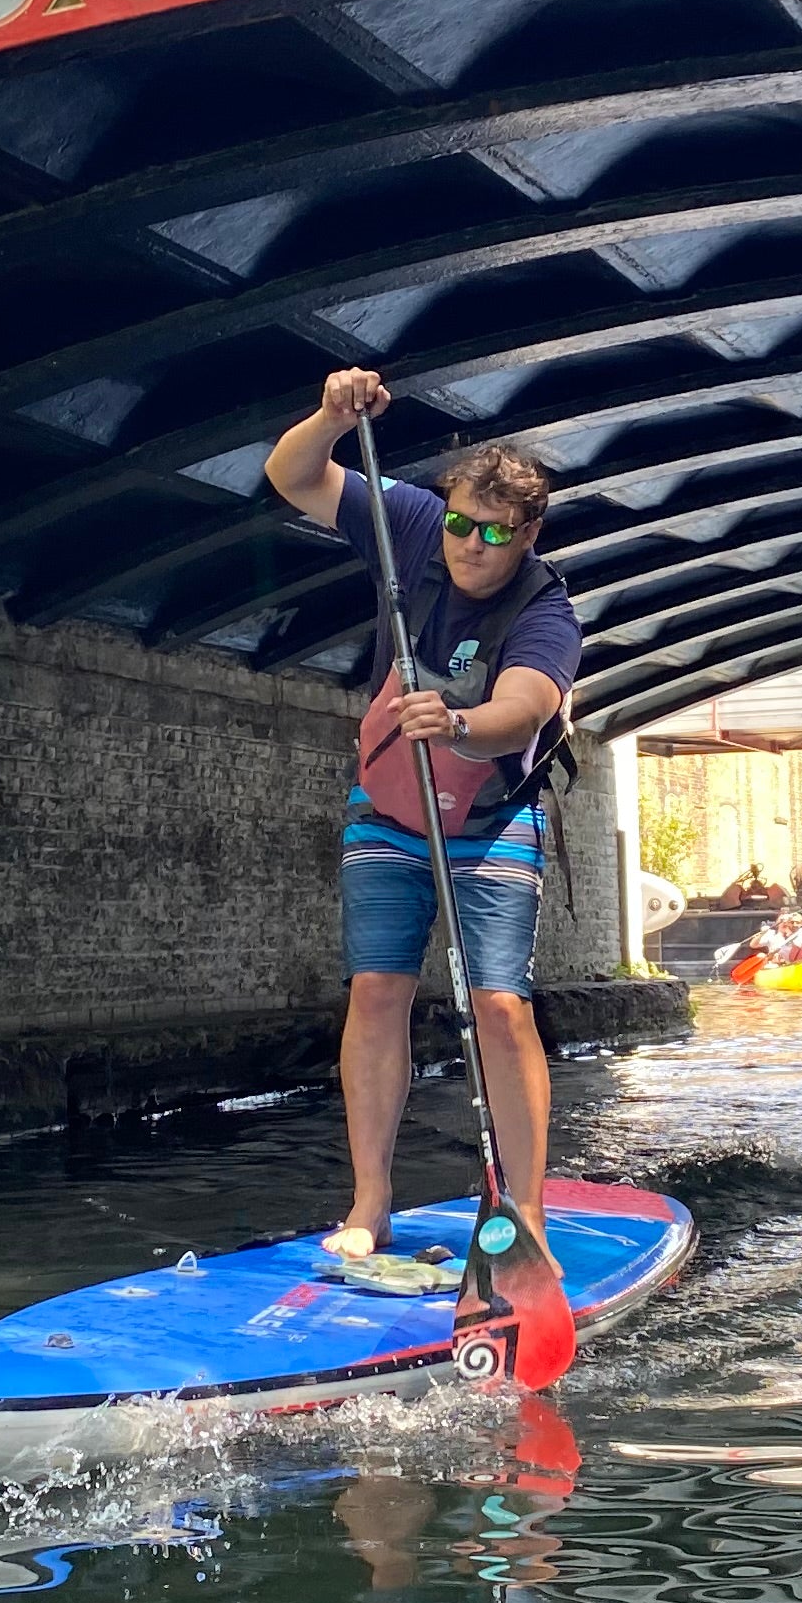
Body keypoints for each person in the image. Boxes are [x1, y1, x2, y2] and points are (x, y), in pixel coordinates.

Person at [264, 368, 582, 1308]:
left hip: (490, 818)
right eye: (459, 525)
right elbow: (293, 475)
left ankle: (525, 1215)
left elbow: (527, 707)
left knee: (500, 1009)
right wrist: (329, 413)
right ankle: (370, 1203)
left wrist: (462, 721)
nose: (470, 547)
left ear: (526, 535)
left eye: (493, 535)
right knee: (376, 991)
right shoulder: (407, 524)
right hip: (388, 812)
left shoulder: (544, 608)